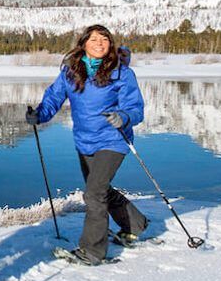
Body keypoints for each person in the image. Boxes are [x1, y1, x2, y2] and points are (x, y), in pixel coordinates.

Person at [27, 24, 149, 265]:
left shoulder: (121, 73)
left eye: (104, 39)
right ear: (84, 44)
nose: (100, 43)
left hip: (113, 140)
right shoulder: (71, 71)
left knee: (94, 194)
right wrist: (39, 114)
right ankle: (135, 224)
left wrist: (123, 117)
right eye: (94, 39)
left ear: (110, 44)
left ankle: (92, 251)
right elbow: (54, 97)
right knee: (100, 190)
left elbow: (135, 108)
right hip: (84, 141)